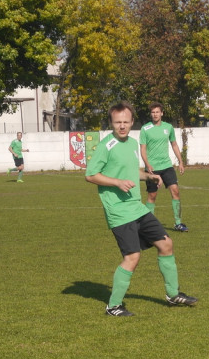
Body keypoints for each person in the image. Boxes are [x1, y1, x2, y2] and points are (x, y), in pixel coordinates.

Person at [85, 102, 198, 317]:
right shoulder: (106, 146)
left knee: (166, 243)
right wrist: (117, 182)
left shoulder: (132, 143)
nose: (122, 126)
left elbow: (130, 170)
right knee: (132, 257)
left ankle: (173, 295)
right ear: (111, 122)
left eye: (126, 122)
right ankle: (113, 306)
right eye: (118, 122)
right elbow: (91, 175)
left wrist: (148, 175)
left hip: (136, 207)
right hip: (118, 211)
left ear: (132, 122)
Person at [139, 103, 188, 231]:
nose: (155, 114)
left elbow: (174, 144)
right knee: (152, 196)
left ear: (162, 113)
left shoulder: (168, 127)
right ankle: (149, 225)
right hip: (152, 168)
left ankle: (178, 223)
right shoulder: (145, 128)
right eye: (153, 112)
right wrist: (147, 164)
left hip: (167, 166)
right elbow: (143, 149)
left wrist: (180, 161)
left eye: (157, 112)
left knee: (175, 191)